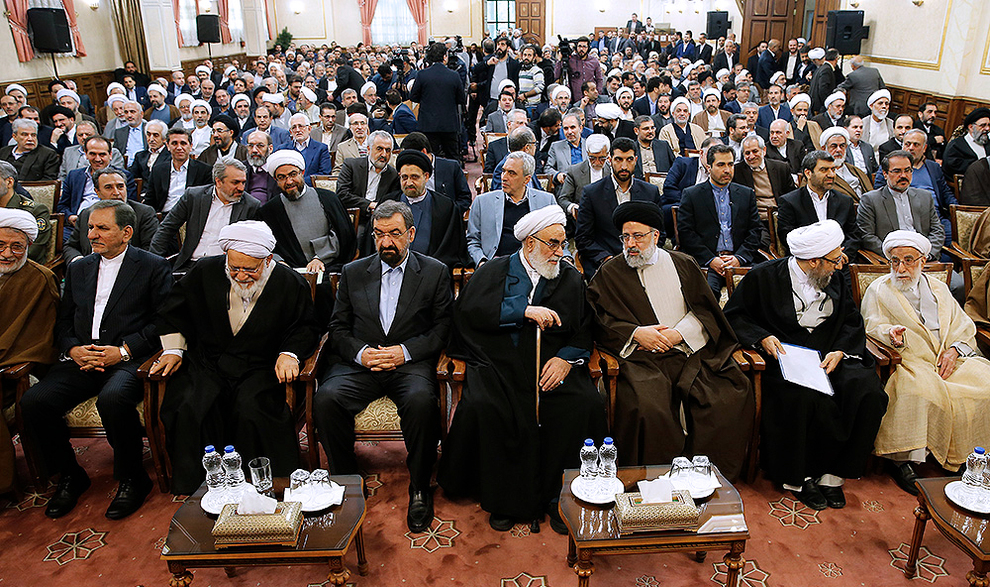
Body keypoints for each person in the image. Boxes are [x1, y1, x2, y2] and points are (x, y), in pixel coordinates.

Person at [440, 205, 606, 534]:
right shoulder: (494, 270)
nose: (560, 252)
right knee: (486, 406)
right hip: (500, 363)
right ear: (530, 243)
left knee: (583, 404)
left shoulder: (570, 277)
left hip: (551, 364)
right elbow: (468, 312)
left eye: (563, 244)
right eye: (553, 244)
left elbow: (584, 327)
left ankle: (560, 497)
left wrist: (566, 359)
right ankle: (505, 499)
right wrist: (523, 310)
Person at [21, 200, 173, 518]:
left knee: (113, 398)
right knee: (34, 401)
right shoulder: (79, 268)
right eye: (90, 227)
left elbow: (163, 322)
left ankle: (133, 478)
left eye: (102, 228)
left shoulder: (152, 266)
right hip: (82, 359)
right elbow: (63, 321)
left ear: (126, 232)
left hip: (127, 358)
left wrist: (123, 351)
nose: (92, 235)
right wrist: (73, 349)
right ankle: (69, 475)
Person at [723, 219, 887, 509]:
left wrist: (840, 351)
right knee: (805, 398)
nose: (840, 264)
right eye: (834, 260)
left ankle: (833, 475)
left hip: (829, 353)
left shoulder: (834, 275)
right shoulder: (764, 276)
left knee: (868, 392)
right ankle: (800, 477)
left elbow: (851, 319)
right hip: (787, 357)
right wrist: (762, 337)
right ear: (813, 261)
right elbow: (734, 316)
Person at [587, 201, 753, 478]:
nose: (631, 244)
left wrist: (680, 333)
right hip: (641, 359)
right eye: (625, 237)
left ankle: (706, 478)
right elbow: (598, 318)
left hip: (690, 353)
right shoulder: (610, 272)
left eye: (638, 236)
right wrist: (636, 333)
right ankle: (651, 479)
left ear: (655, 236)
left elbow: (706, 311)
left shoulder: (683, 263)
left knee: (727, 395)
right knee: (647, 406)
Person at [314, 200, 452, 533]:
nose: (386, 242)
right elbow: (338, 328)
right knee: (326, 399)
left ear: (411, 234)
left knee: (421, 402)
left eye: (394, 234)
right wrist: (361, 354)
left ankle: (419, 486)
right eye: (379, 234)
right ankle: (346, 478)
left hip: (408, 365)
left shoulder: (434, 272)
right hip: (362, 365)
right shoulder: (353, 272)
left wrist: (404, 352)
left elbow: (443, 328)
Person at [153, 220, 319, 495]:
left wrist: (289, 354)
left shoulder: (289, 282)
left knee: (253, 410)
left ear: (267, 260)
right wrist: (173, 349)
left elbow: (306, 327)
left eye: (250, 269)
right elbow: (172, 312)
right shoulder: (205, 271)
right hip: (209, 363)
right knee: (190, 406)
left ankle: (263, 487)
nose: (241, 275)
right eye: (234, 268)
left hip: (259, 366)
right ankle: (201, 489)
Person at [862, 230, 990, 493]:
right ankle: (903, 461)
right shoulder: (879, 289)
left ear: (923, 261)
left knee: (985, 383)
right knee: (918, 392)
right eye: (895, 261)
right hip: (910, 360)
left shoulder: (939, 288)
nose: (901, 268)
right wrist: (891, 334)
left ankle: (968, 456)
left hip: (948, 358)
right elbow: (871, 324)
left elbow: (962, 324)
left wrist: (954, 350)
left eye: (908, 260)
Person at [677, 144, 762, 296]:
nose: (727, 170)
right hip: (707, 261)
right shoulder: (692, 195)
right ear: (709, 167)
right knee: (708, 294)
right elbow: (686, 233)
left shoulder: (746, 194)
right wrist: (711, 259)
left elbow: (755, 231)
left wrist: (739, 258)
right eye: (721, 165)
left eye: (730, 164)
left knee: (761, 290)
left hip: (739, 259)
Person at [256, 149, 356, 275]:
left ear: (302, 173)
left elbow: (343, 235)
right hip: (289, 272)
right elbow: (265, 244)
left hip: (328, 266)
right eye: (282, 177)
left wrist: (320, 257)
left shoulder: (327, 199)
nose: (289, 181)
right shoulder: (270, 210)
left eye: (293, 174)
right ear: (276, 180)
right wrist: (279, 261)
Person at [150, 158, 261, 271]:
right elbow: (166, 229)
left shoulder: (251, 206)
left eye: (243, 182)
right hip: (190, 265)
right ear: (218, 182)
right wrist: (153, 263)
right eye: (235, 182)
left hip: (224, 269)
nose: (241, 188)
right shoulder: (194, 196)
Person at [575, 137, 663, 274]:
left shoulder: (650, 192)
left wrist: (644, 254)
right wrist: (607, 259)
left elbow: (660, 233)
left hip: (643, 261)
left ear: (636, 160)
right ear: (610, 160)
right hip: (605, 264)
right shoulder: (592, 193)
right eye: (618, 160)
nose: (624, 166)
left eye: (629, 160)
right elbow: (583, 238)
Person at [371, 149, 468, 268]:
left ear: (426, 177)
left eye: (414, 177)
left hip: (431, 272)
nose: (409, 183)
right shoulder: (386, 203)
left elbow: (451, 251)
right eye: (404, 177)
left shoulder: (445, 207)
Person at [467, 151, 558, 267]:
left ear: (526, 180)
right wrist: (482, 262)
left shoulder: (547, 201)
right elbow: (472, 241)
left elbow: (557, 239)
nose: (504, 177)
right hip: (496, 264)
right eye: (503, 171)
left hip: (534, 266)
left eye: (511, 173)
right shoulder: (482, 202)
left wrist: (566, 258)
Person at [857, 151, 945, 261]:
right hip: (890, 260)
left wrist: (927, 254)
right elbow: (867, 237)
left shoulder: (925, 197)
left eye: (907, 170)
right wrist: (896, 256)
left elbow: (937, 230)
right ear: (885, 174)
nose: (903, 175)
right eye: (897, 171)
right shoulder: (870, 200)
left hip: (923, 259)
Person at [777, 151, 861, 260]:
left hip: (839, 262)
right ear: (808, 173)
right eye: (824, 170)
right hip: (806, 262)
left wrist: (840, 255)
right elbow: (788, 238)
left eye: (833, 169)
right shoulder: (790, 202)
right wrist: (819, 256)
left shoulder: (844, 201)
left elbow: (853, 236)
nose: (831, 175)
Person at [64, 168, 159, 263]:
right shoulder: (86, 214)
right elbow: (71, 246)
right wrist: (79, 262)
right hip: (89, 269)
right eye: (109, 187)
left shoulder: (144, 213)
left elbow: (151, 250)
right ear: (97, 192)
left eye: (120, 187)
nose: (116, 193)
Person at [410, 43, 466, 161]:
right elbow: (461, 99)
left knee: (429, 157)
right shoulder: (454, 75)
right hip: (449, 124)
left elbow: (413, 97)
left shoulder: (422, 75)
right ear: (445, 57)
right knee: (453, 157)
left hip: (428, 124)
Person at [335, 130, 400, 225]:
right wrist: (369, 204)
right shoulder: (351, 165)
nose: (384, 154)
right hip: (352, 217)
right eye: (379, 149)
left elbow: (391, 202)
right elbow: (342, 194)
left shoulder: (393, 175)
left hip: (379, 220)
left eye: (388, 150)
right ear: (369, 149)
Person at [399, 132, 473, 215]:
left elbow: (465, 198)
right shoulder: (404, 171)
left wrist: (450, 213)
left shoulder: (451, 167)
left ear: (423, 152)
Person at [144, 128, 213, 213]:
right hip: (164, 215)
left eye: (183, 143)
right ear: (168, 146)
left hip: (191, 216)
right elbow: (150, 200)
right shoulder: (158, 170)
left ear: (190, 146)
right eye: (174, 143)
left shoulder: (204, 170)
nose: (179, 147)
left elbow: (206, 201)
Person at [733, 134, 795, 220]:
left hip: (780, 216)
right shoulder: (737, 171)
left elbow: (791, 195)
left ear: (764, 150)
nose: (751, 156)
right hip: (754, 220)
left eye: (755, 151)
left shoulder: (781, 168)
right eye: (747, 153)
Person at [820, 126, 873, 202]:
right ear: (823, 148)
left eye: (842, 146)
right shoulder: (819, 174)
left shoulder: (856, 171)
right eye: (834, 146)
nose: (838, 150)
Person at [942, 107, 989, 180]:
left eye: (989, 125)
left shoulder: (988, 144)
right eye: (983, 125)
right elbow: (951, 167)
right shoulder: (956, 145)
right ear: (971, 127)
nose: (987, 128)